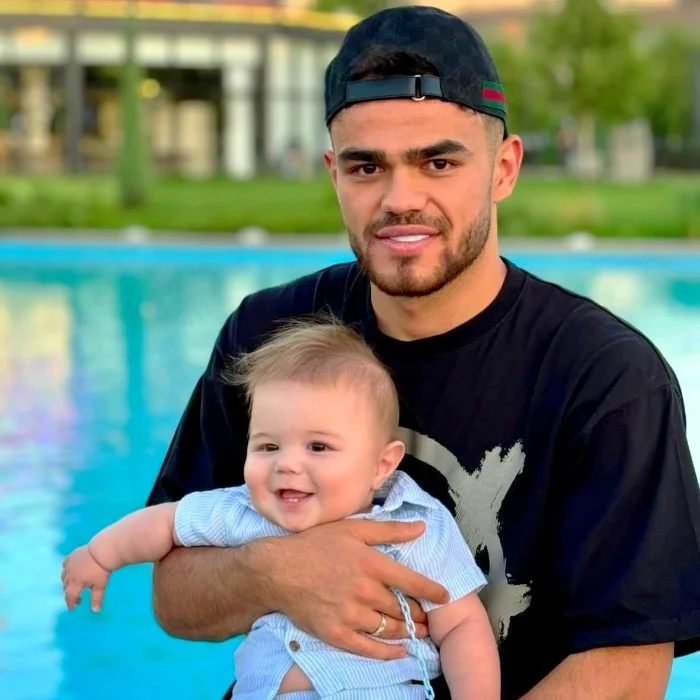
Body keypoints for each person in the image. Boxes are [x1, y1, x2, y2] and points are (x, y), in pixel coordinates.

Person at [145, 6, 700, 700]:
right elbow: (173, 594)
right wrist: (278, 570)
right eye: (366, 166)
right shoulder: (270, 335)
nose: (399, 198)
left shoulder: (605, 378)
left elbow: (630, 667)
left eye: (438, 162)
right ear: (334, 175)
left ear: (503, 169)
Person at [61, 319, 500, 700]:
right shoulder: (242, 512)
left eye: (318, 447)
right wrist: (101, 554)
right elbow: (166, 523)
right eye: (268, 446)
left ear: (381, 465)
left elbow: (461, 625)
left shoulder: (413, 523)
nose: (286, 464)